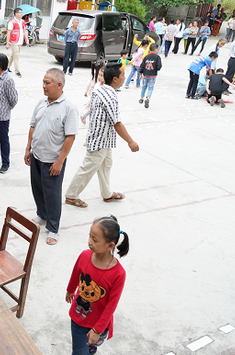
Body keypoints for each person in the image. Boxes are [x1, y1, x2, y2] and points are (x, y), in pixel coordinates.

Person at [66, 216, 128, 355]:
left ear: (110, 245)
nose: (89, 242)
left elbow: (111, 306)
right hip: (79, 317)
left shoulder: (118, 274)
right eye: (89, 236)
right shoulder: (85, 255)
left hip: (98, 323)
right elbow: (76, 273)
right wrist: (70, 289)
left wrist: (97, 330)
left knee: (94, 341)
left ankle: (93, 345)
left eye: (95, 239)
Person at [64, 63, 139, 206]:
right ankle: (71, 195)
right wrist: (130, 141)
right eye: (123, 75)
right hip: (99, 141)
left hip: (105, 140)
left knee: (106, 166)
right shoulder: (110, 97)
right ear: (115, 79)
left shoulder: (100, 90)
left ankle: (107, 193)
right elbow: (117, 123)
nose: (125, 77)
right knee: (88, 168)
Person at [25, 69, 79, 245]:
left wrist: (60, 161)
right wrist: (28, 149)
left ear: (59, 85)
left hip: (53, 160)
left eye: (47, 83)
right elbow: (33, 126)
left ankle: (53, 228)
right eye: (43, 82)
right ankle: (42, 215)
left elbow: (70, 136)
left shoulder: (69, 107)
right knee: (37, 188)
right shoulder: (41, 102)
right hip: (37, 155)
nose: (44, 86)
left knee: (52, 194)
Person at [6, 7, 29, 78]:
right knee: (16, 56)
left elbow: (24, 31)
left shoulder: (22, 21)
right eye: (20, 13)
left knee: (13, 55)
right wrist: (7, 43)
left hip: (20, 41)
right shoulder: (12, 22)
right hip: (14, 42)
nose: (22, 14)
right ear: (16, 13)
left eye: (22, 13)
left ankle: (7, 67)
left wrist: (27, 39)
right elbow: (8, 33)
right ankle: (17, 71)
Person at [138, 44, 162, 108]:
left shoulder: (146, 57)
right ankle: (147, 98)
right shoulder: (157, 57)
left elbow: (142, 65)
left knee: (144, 86)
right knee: (150, 87)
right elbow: (159, 66)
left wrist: (140, 73)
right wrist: (156, 69)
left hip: (145, 74)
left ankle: (141, 98)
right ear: (155, 49)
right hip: (153, 75)